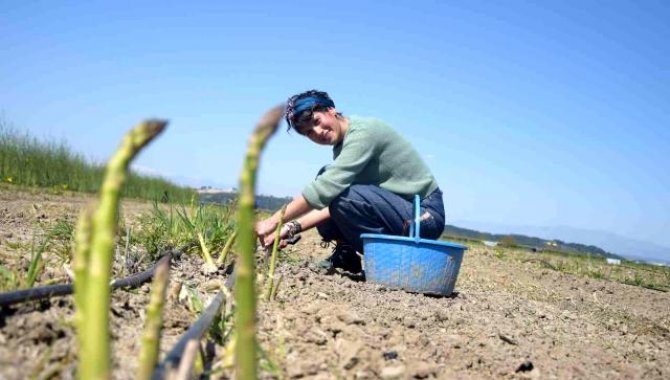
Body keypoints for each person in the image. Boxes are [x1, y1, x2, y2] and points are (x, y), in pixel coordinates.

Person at [255, 90, 445, 273]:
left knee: (337, 190)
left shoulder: (364, 132)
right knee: (331, 181)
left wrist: (273, 222)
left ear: (331, 110)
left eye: (316, 122)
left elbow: (327, 191)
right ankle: (346, 255)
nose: (317, 132)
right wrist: (288, 228)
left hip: (424, 216)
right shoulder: (342, 147)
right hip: (396, 211)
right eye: (309, 132)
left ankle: (390, 266)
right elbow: (329, 205)